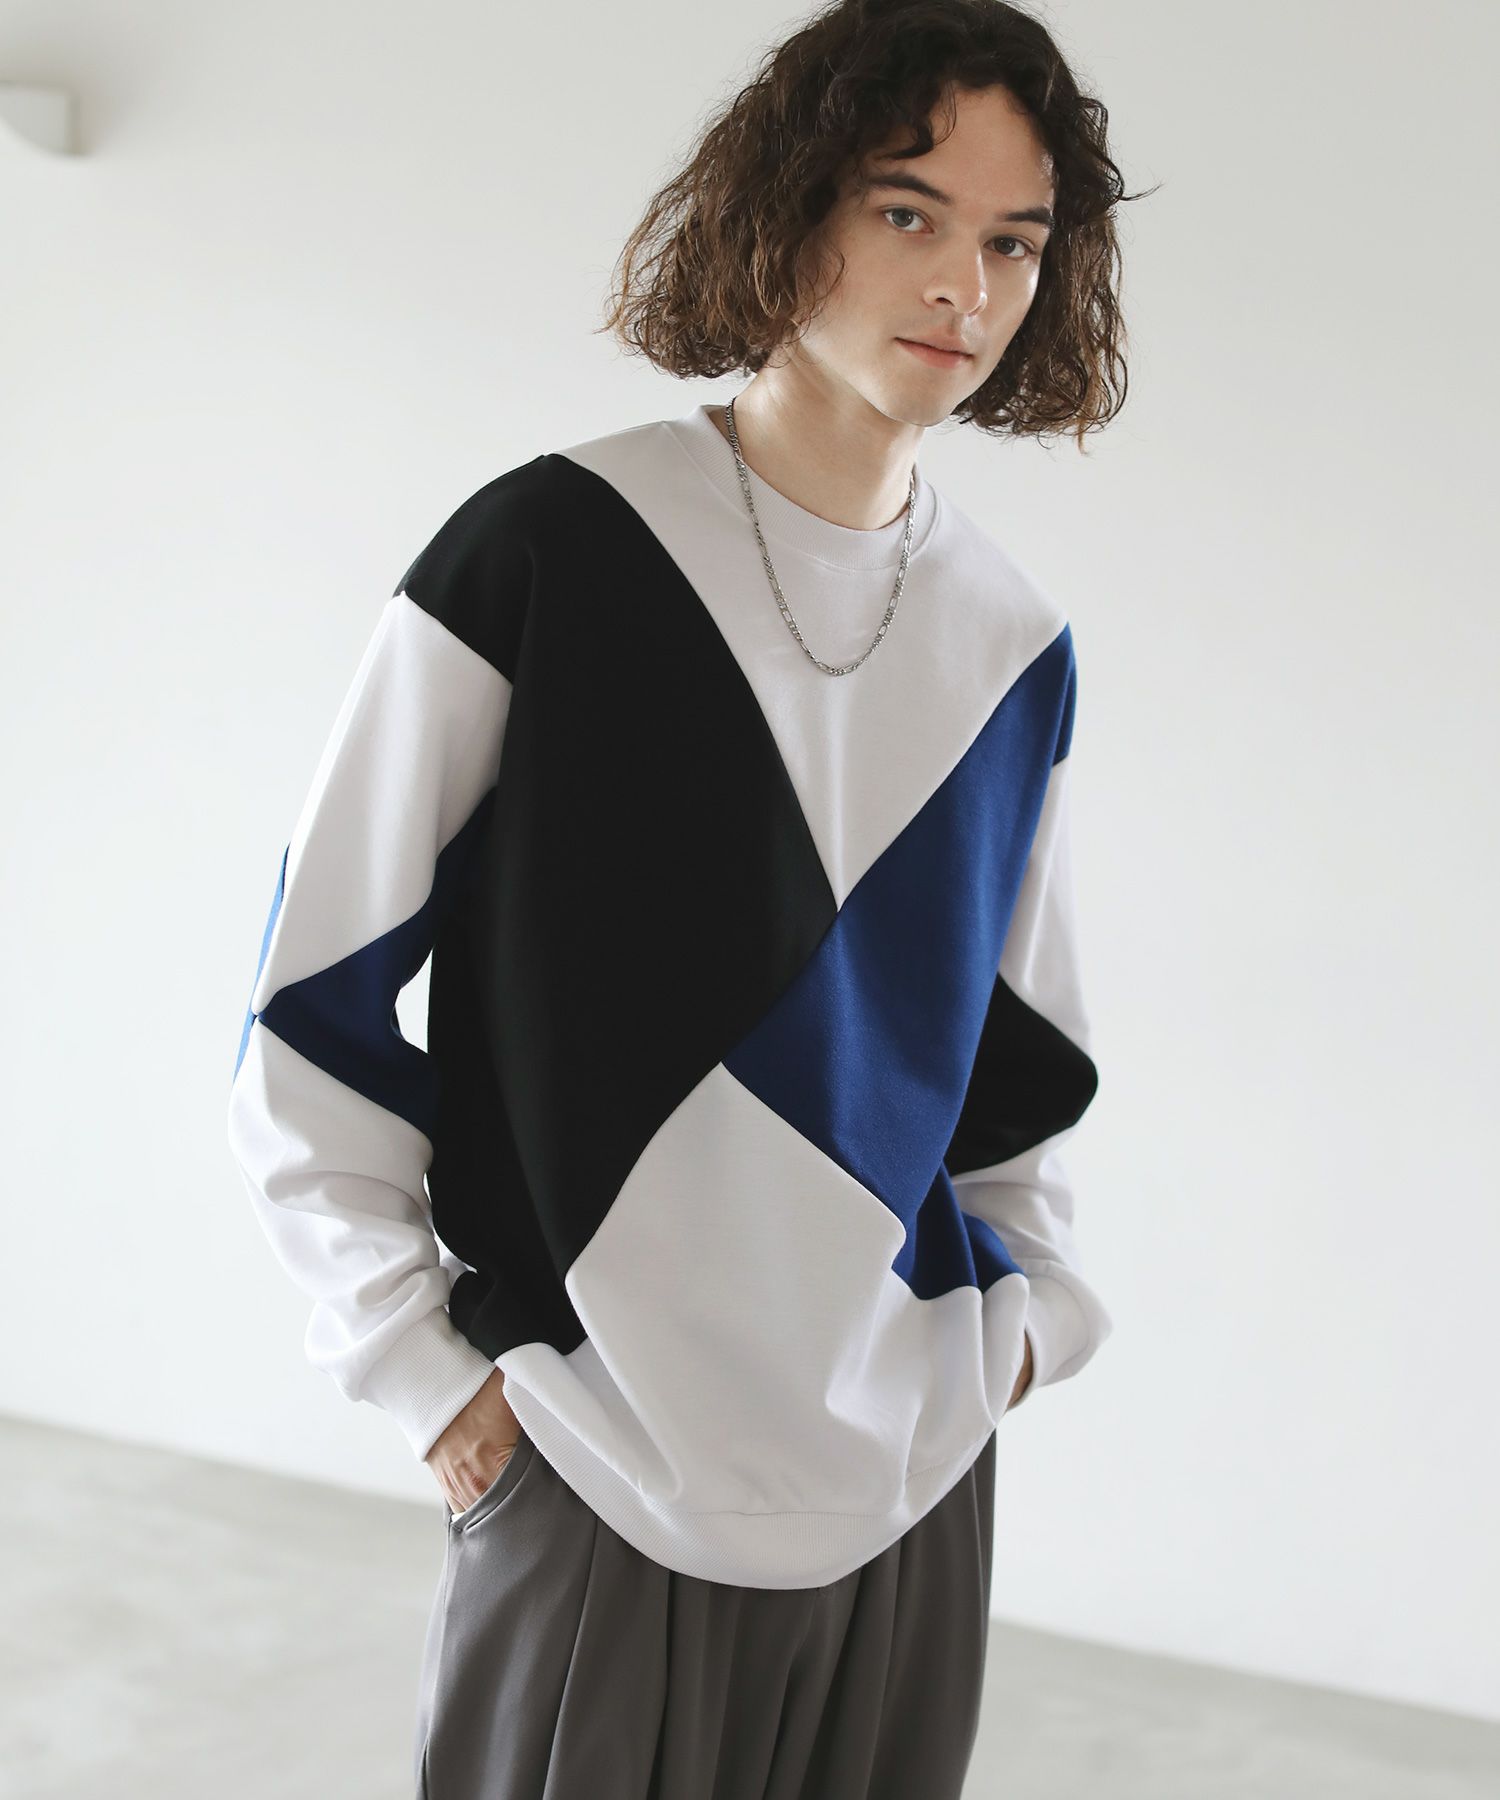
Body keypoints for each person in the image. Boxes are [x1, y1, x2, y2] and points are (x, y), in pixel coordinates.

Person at [226, 1, 1143, 1793]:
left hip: (908, 1486)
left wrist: (1021, 1331)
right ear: (790, 205)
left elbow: (1017, 1066)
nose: (964, 284)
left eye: (1014, 242)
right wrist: (423, 1374)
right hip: (591, 1460)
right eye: (908, 210)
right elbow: (308, 1004)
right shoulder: (549, 548)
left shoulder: (1010, 644)